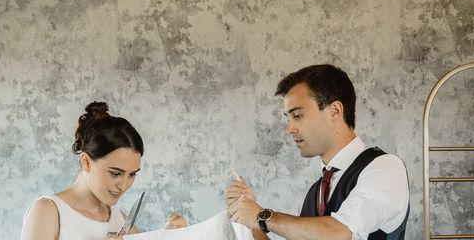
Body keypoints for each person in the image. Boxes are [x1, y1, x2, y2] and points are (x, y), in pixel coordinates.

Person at [226, 64, 409, 240]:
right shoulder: (312, 194)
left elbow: (342, 233)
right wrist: (250, 220)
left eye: (297, 115)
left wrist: (262, 216)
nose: (289, 128)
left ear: (335, 111)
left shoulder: (385, 168)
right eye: (288, 118)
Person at [22, 101, 185, 240]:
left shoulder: (125, 225)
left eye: (132, 174)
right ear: (86, 161)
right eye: (115, 173)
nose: (124, 185)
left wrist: (176, 237)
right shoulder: (48, 211)